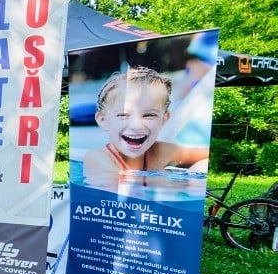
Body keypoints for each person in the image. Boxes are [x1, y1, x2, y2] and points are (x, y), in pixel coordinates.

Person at [82, 66, 210, 191]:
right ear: (102, 120)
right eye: (123, 115)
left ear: (164, 119)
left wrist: (194, 177)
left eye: (149, 115)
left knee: (202, 166)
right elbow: (123, 185)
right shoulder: (97, 158)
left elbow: (207, 154)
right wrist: (168, 180)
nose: (136, 126)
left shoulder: (161, 152)